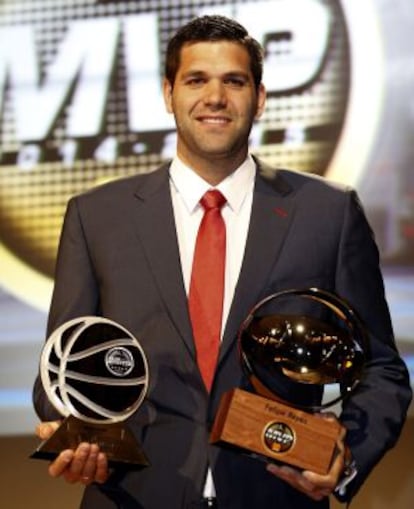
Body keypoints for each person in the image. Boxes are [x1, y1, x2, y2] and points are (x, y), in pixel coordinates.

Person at [33, 14, 412, 509]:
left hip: (278, 496)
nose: (215, 97)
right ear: (169, 94)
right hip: (134, 496)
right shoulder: (96, 217)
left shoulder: (329, 213)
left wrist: (349, 457)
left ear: (259, 98)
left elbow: (381, 368)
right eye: (196, 80)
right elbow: (59, 368)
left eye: (234, 81)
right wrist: (75, 433)